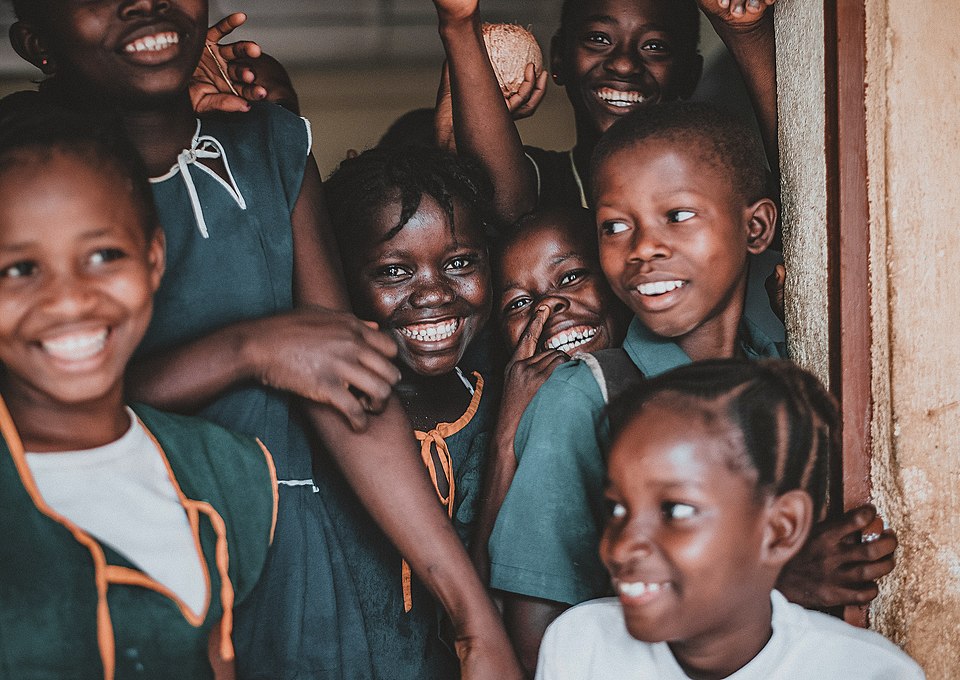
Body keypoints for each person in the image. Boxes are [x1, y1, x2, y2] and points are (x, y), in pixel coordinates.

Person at [3, 2, 522, 678]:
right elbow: (42, 405)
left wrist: (473, 616)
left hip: (295, 541)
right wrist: (249, 350)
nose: (144, 3)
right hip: (110, 523)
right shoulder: (29, 175)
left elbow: (347, 380)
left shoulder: (268, 144)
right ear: (36, 42)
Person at [487, 102, 897, 675]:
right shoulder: (584, 397)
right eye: (614, 226)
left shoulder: (782, 370)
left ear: (756, 228)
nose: (643, 248)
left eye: (677, 215)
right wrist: (780, 585)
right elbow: (538, 636)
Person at [0, 98, 277, 679]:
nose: (70, 301)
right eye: (19, 269)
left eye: (104, 256)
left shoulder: (225, 473)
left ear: (154, 259)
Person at [536, 359, 924, 680]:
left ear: (780, 530)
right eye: (617, 509)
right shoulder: (582, 645)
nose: (620, 548)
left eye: (676, 510)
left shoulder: (867, 672)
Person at [318, 146, 497, 678]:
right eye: (395, 271)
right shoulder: (326, 421)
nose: (434, 293)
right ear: (342, 279)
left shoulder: (501, 404)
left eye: (459, 263)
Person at [469, 206, 630, 580]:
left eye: (571, 277)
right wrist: (506, 437)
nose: (546, 305)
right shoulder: (513, 425)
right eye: (518, 303)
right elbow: (482, 595)